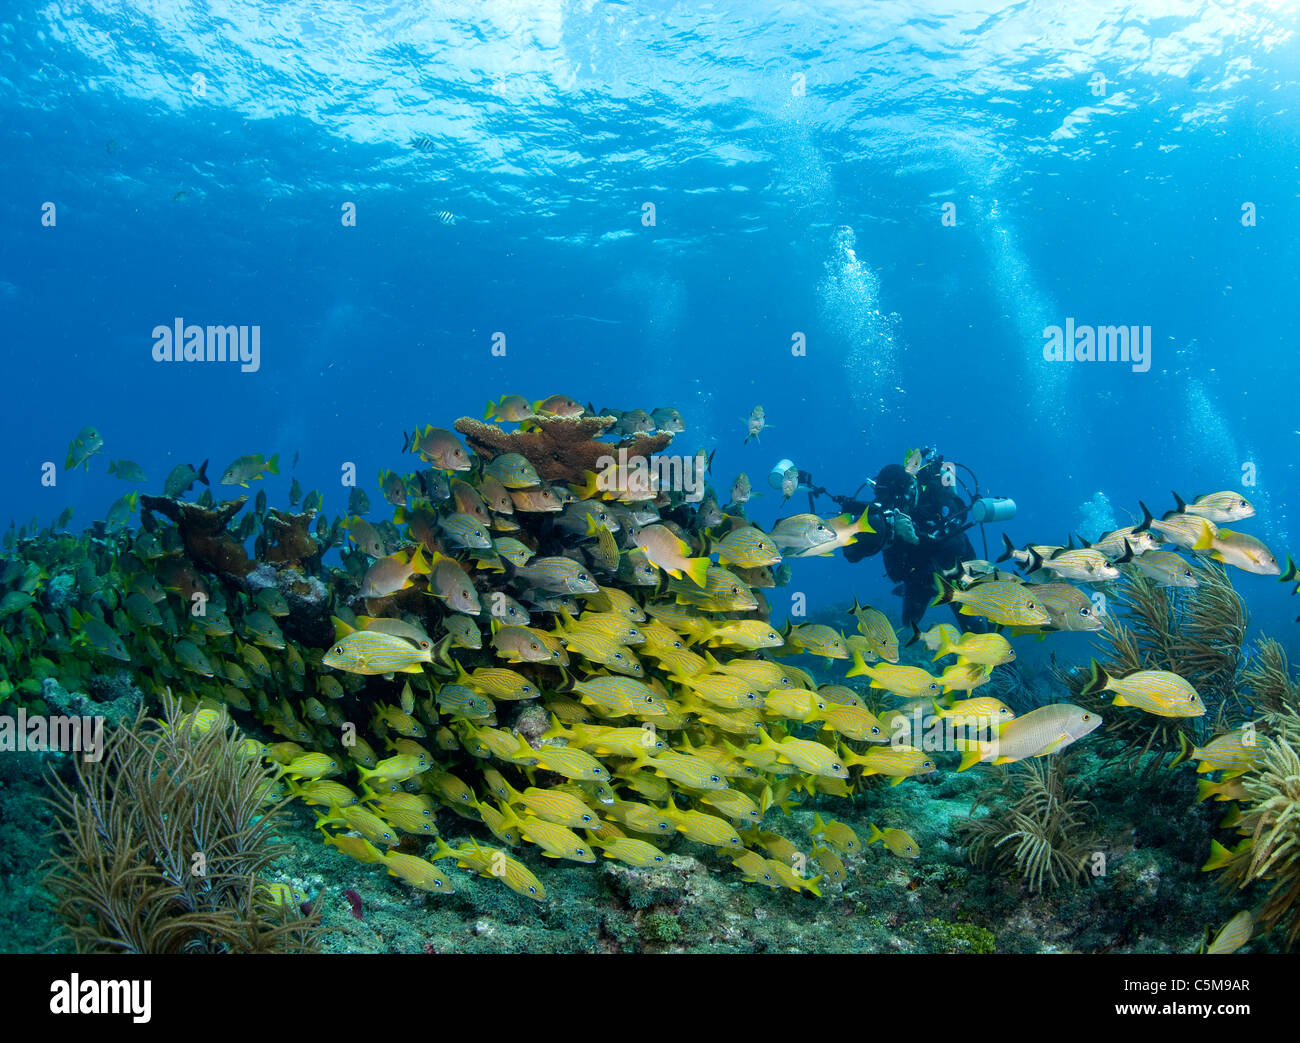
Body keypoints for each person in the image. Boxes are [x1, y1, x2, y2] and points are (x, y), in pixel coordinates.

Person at [836, 452, 985, 633]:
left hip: (952, 571)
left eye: (892, 497)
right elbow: (853, 556)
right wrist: (848, 529)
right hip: (916, 576)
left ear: (908, 491)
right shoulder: (884, 506)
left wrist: (917, 537)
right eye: (883, 496)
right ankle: (926, 589)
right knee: (909, 622)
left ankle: (993, 650)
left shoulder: (933, 497)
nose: (888, 502)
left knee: (974, 626)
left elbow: (956, 535)